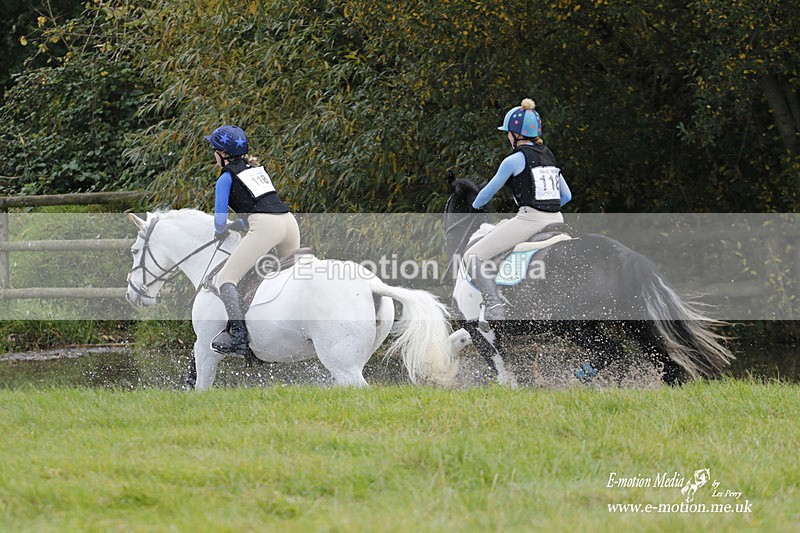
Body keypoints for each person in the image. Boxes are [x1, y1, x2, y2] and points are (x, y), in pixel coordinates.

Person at [463, 98, 572, 321]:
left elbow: (486, 194)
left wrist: (473, 205)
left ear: (516, 135)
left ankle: (495, 306)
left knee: (473, 255)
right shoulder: (548, 155)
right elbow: (567, 196)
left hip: (529, 221)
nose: (507, 137)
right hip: (557, 220)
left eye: (508, 133)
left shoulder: (514, 160)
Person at [204, 125, 301, 355]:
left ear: (222, 154)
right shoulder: (256, 169)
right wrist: (242, 224)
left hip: (266, 226)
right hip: (289, 222)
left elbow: (219, 221)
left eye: (214, 150)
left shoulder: (225, 178)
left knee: (226, 278)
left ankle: (238, 336)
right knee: (289, 278)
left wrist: (221, 231)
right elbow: (261, 203)